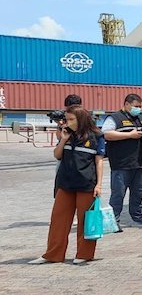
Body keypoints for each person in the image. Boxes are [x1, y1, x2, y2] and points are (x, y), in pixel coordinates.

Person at [30, 106, 105, 265]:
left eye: (72, 119)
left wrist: (99, 185)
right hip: (65, 183)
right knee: (58, 220)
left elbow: (99, 162)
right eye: (67, 119)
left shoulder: (96, 136)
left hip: (86, 184)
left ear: (81, 119)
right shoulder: (66, 134)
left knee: (85, 220)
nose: (68, 122)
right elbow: (57, 155)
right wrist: (63, 139)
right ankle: (53, 254)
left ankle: (84, 254)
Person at [102, 94, 142, 229]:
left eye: (140, 107)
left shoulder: (140, 118)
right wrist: (129, 135)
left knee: (138, 192)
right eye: (136, 106)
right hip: (121, 164)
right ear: (126, 104)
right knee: (118, 194)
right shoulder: (114, 118)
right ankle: (113, 222)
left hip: (139, 163)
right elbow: (106, 134)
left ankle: (138, 218)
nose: (139, 109)